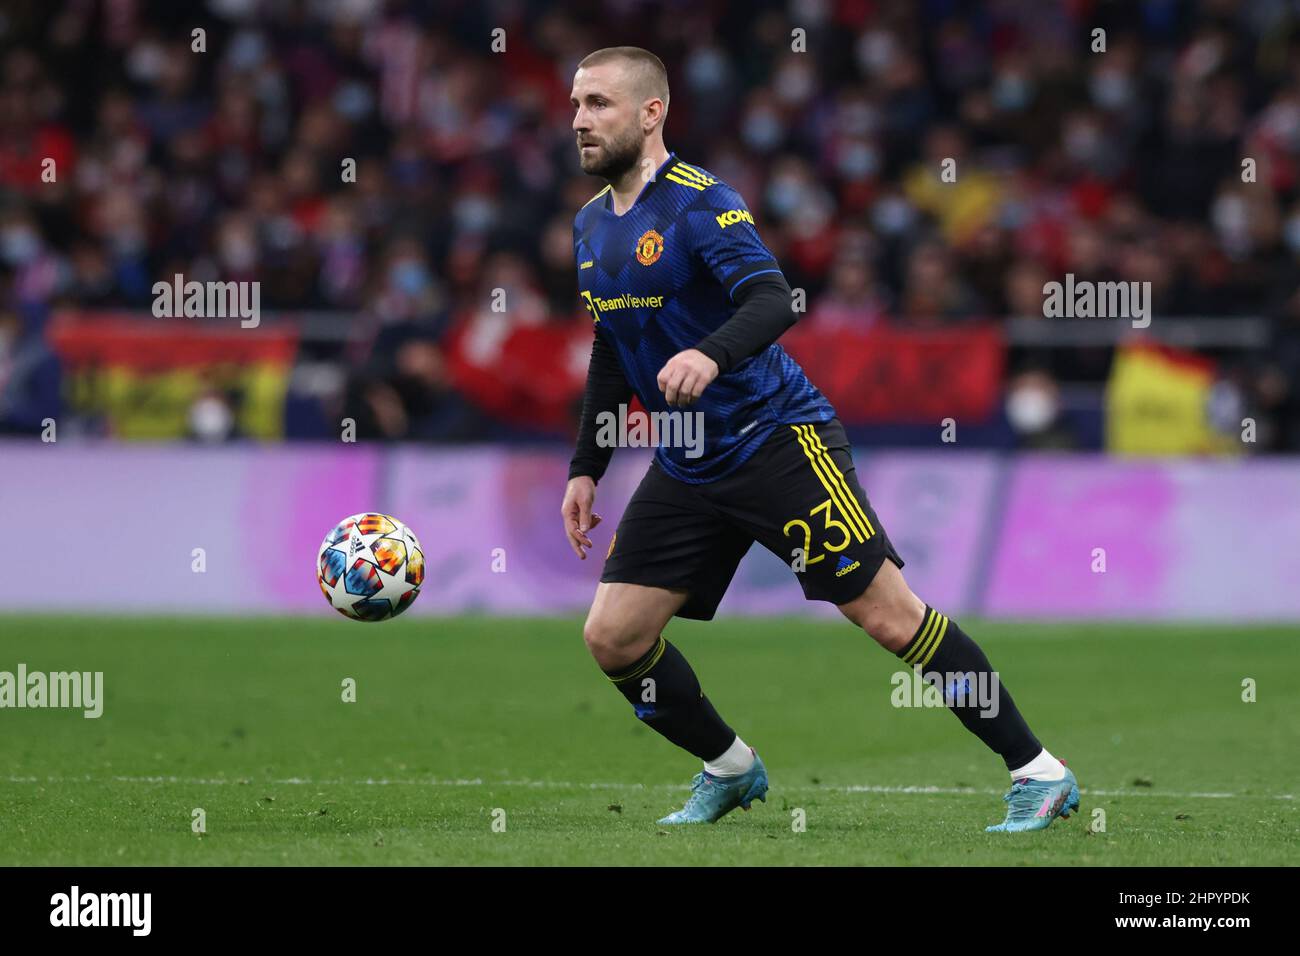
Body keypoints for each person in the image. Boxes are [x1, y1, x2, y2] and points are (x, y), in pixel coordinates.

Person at [560, 47, 1078, 831]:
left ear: (650, 112)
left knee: (890, 618)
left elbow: (773, 297)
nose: (578, 120)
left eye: (598, 103)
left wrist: (710, 352)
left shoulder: (702, 202)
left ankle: (1038, 771)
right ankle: (730, 767)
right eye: (576, 104)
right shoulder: (591, 225)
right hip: (688, 462)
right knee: (614, 638)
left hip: (776, 440)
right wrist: (586, 469)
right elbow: (611, 345)